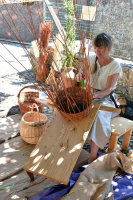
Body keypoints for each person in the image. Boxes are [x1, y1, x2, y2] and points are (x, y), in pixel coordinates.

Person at [76, 32, 122, 164]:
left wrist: (94, 95)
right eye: (95, 48)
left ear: (108, 48)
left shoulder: (114, 66)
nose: (97, 51)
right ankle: (74, 143)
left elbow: (108, 89)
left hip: (106, 99)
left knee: (98, 115)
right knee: (75, 109)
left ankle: (92, 156)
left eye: (100, 48)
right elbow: (81, 73)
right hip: (89, 95)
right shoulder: (90, 58)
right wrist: (79, 75)